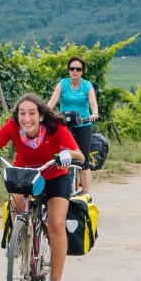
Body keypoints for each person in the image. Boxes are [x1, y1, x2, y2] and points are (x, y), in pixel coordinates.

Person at [0, 93, 84, 281]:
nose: (27, 118)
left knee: (56, 224)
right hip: (26, 174)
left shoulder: (56, 128)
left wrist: (67, 155)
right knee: (15, 205)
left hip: (55, 176)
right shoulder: (12, 127)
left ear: (41, 116)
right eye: (22, 114)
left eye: (32, 113)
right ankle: (20, 237)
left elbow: (80, 156)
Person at [47, 56, 99, 195]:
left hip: (83, 124)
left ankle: (86, 195)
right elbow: (52, 102)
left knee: (83, 160)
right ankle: (62, 191)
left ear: (82, 71)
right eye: (72, 69)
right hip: (65, 125)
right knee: (63, 156)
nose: (75, 71)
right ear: (68, 71)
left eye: (78, 69)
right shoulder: (62, 84)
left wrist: (94, 113)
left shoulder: (87, 85)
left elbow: (93, 103)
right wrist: (44, 114)